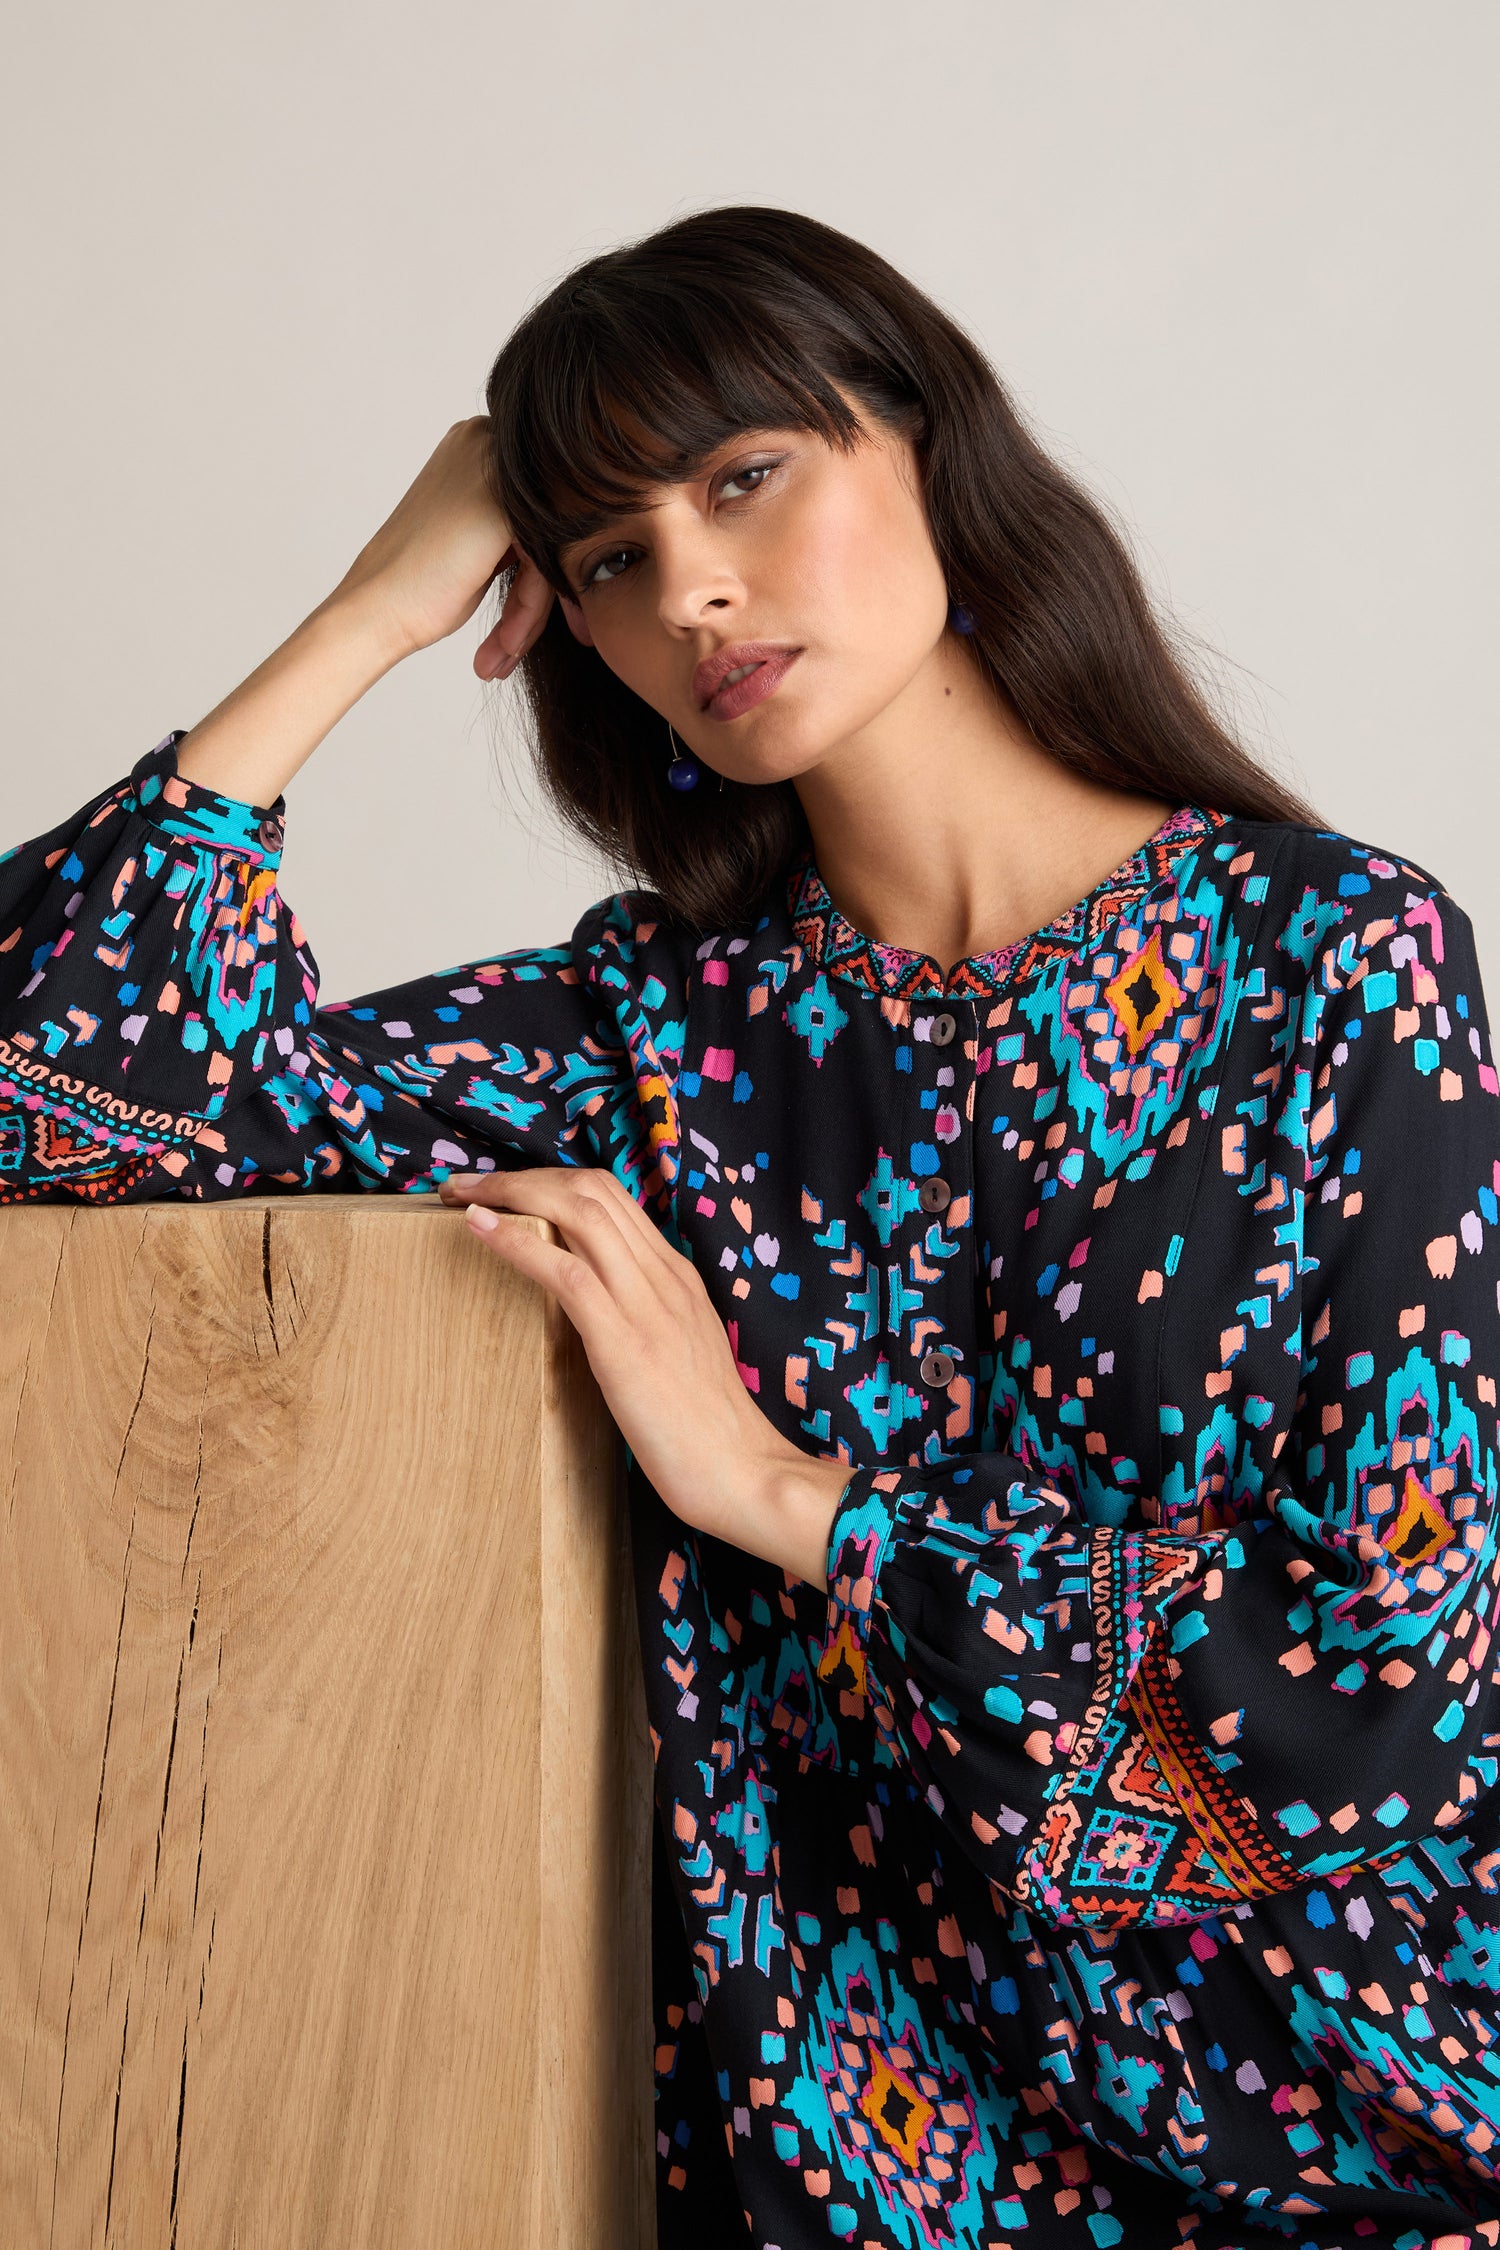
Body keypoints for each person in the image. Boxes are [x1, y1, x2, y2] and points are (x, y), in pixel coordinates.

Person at [3, 203, 1498, 2248]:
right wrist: (367, 612)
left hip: (1366, 2146)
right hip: (864, 2178)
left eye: (742, 479)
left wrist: (799, 1507)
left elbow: (1390, 1684)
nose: (692, 584)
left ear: (926, 444)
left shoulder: (1337, 962)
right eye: (609, 557)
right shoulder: (640, 1037)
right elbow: (56, 1112)